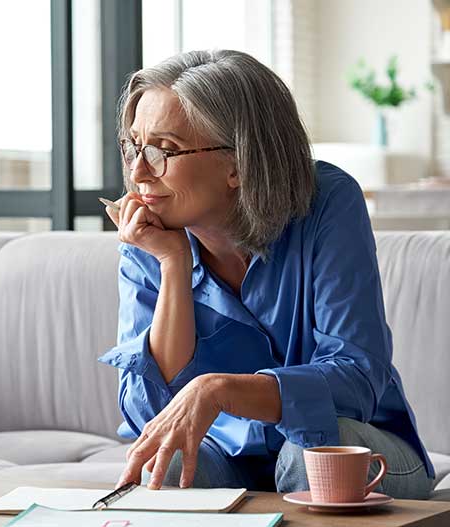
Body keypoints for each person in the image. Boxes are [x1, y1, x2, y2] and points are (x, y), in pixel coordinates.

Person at [98, 49, 435, 499]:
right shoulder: (150, 234)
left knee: (310, 452)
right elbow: (151, 414)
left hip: (358, 445)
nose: (139, 172)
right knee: (169, 462)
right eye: (133, 146)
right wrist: (173, 265)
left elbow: (357, 379)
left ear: (238, 163)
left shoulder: (328, 203)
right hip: (229, 456)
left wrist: (219, 390)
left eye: (164, 150)